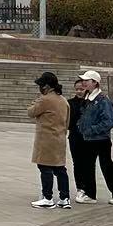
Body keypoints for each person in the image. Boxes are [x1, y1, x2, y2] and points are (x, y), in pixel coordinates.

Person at [71, 69, 113, 204]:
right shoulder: (88, 98)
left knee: (106, 166)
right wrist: (81, 127)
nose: (84, 83)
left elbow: (108, 121)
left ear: (95, 83)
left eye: (86, 81)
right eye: (83, 80)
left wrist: (91, 130)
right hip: (89, 139)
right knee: (88, 166)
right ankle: (90, 194)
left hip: (101, 139)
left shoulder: (102, 100)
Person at [28, 71, 72, 209]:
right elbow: (68, 121)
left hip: (46, 139)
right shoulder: (63, 100)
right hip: (59, 138)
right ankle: (65, 197)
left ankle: (47, 197)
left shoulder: (45, 99)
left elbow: (31, 112)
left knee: (45, 167)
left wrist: (37, 99)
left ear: (46, 86)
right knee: (60, 169)